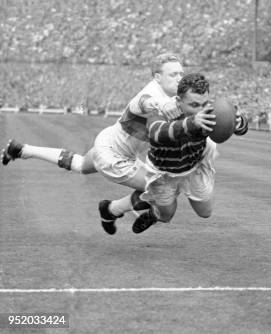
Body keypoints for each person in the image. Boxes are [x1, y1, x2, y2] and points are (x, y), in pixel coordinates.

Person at [2, 53, 185, 233]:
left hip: (108, 142)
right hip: (115, 158)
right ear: (157, 77)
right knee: (167, 195)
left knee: (80, 164)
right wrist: (162, 107)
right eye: (173, 74)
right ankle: (113, 209)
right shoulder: (151, 94)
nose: (179, 78)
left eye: (181, 73)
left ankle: (22, 150)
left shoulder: (173, 98)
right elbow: (144, 102)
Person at [102, 72, 248, 234]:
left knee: (205, 212)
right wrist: (191, 123)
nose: (200, 110)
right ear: (178, 101)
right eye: (193, 105)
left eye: (204, 103)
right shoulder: (161, 110)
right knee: (166, 215)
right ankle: (153, 211)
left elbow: (239, 129)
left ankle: (149, 206)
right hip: (164, 172)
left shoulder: (208, 110)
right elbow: (156, 133)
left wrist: (238, 121)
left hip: (195, 166)